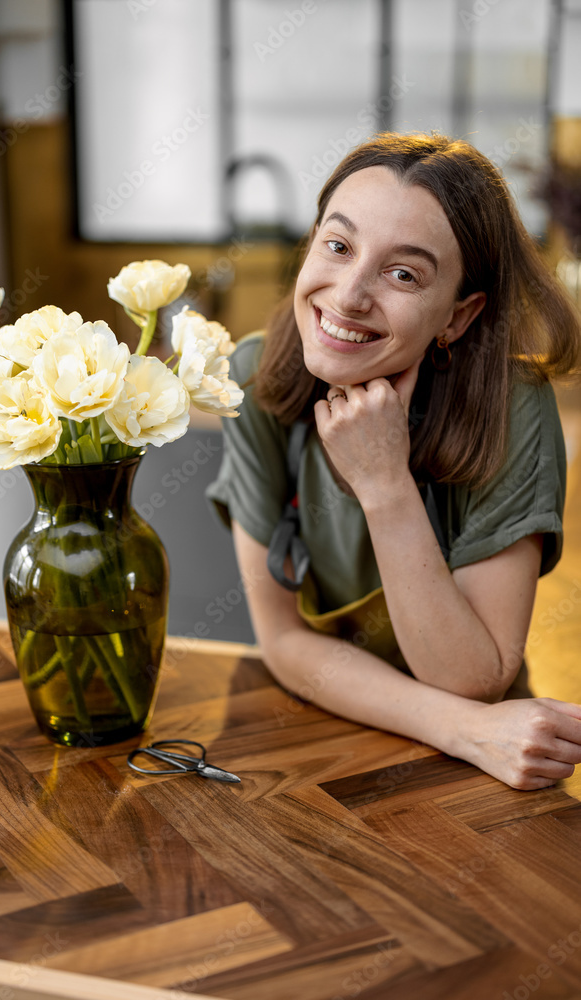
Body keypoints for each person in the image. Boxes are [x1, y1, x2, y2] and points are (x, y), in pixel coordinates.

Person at [207, 132, 581, 791]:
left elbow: (471, 678)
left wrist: (383, 483)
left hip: (478, 775)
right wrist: (457, 727)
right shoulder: (253, 377)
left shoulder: (512, 410)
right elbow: (284, 642)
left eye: (402, 273)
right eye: (338, 245)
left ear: (458, 317)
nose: (348, 295)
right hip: (319, 742)